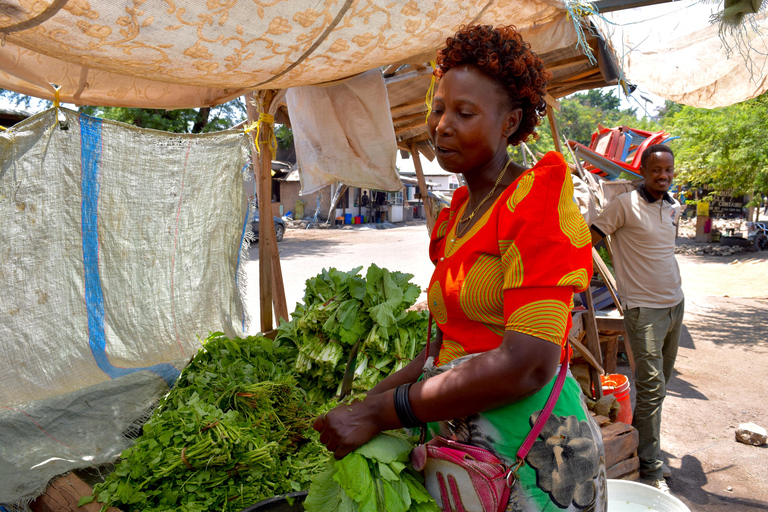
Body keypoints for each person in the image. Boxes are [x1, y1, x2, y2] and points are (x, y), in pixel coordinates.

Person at [314, 24, 606, 510]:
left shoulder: (535, 204)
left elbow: (529, 364)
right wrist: (364, 405)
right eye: (438, 109)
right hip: (469, 453)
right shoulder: (458, 216)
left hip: (538, 458)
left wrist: (384, 412)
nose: (442, 125)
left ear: (510, 122)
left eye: (464, 112)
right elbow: (443, 351)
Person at [589, 144, 683, 494]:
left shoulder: (673, 207)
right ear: (643, 171)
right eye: (656, 170)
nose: (663, 176)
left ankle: (644, 449)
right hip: (643, 309)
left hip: (676, 304)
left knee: (658, 387)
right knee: (651, 385)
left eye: (668, 170)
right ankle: (651, 466)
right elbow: (589, 240)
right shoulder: (624, 205)